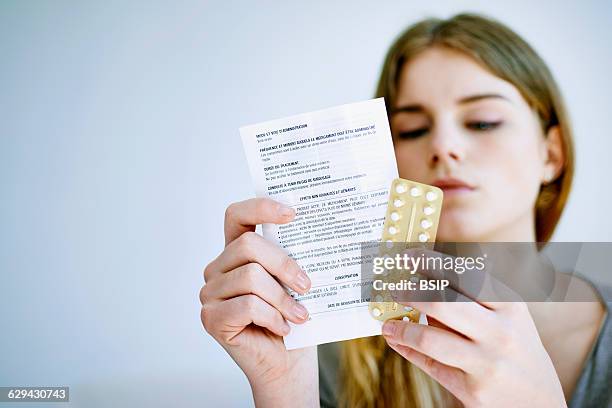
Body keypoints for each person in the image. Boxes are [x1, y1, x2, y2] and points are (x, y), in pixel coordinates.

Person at [200, 13, 610, 407]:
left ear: (551, 154)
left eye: (483, 122)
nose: (443, 146)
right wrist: (283, 392)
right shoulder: (327, 355)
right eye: (413, 129)